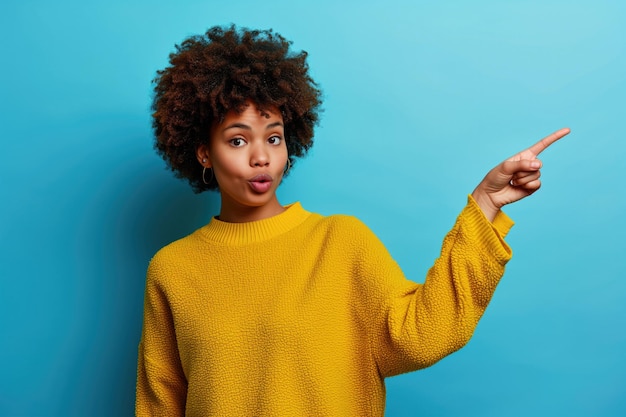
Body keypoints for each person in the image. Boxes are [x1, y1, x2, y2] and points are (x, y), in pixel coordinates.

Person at [135, 25, 570, 416]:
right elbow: (159, 405)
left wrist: (485, 204)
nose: (261, 157)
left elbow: (422, 334)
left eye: (273, 137)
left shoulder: (340, 241)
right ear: (203, 153)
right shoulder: (173, 269)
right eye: (236, 140)